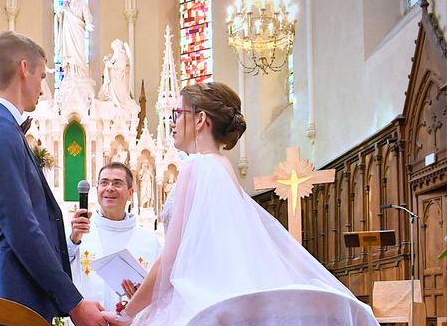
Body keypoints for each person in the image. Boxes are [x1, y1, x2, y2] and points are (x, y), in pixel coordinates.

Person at [102, 82, 378, 325]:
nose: (172, 122)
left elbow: (171, 259)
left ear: (200, 119)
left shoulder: (195, 167)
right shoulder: (223, 167)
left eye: (177, 114)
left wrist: (130, 312)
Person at [0, 31, 105, 326]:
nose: (43, 87)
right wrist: (74, 303)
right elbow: (21, 227)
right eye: (42, 75)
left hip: (14, 295)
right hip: (8, 299)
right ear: (24, 69)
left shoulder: (3, 129)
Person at [68, 162, 161, 311]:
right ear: (97, 189)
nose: (109, 188)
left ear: (130, 193)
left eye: (117, 183)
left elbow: (161, 290)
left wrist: (143, 296)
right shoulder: (77, 233)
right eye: (104, 182)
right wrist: (72, 241)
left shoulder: (150, 242)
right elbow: (56, 269)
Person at [55, 0, 94, 77]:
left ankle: (80, 74)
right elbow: (59, 16)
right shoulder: (65, 6)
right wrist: (59, 15)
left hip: (78, 32)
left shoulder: (82, 3)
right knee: (69, 53)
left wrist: (88, 23)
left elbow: (87, 15)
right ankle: (70, 73)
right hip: (67, 33)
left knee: (79, 51)